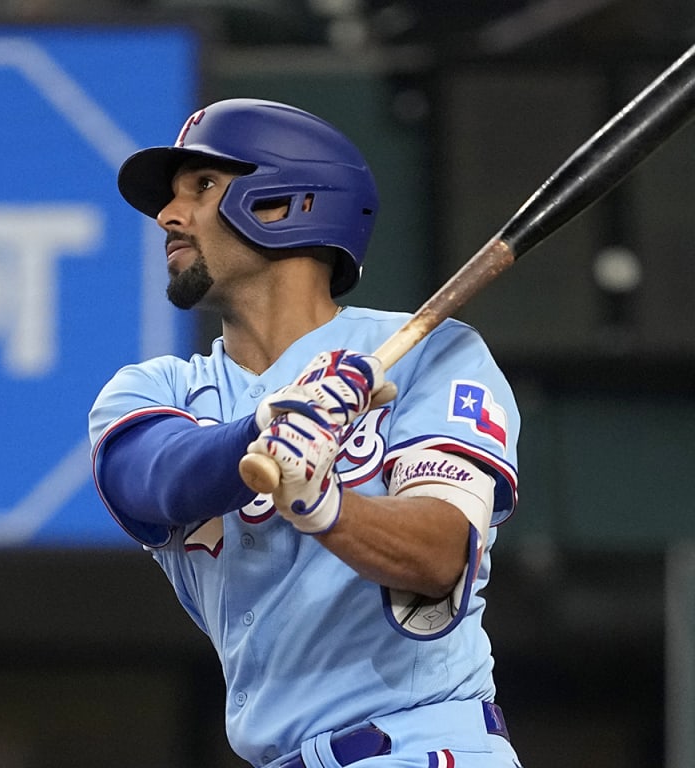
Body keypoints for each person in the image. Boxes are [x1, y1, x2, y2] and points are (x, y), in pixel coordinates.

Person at [87, 99, 524, 767]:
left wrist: (322, 505)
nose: (169, 217)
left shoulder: (430, 355)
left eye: (201, 187)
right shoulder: (157, 390)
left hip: (423, 745)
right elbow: (154, 476)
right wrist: (266, 429)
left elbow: (439, 558)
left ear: (287, 201)